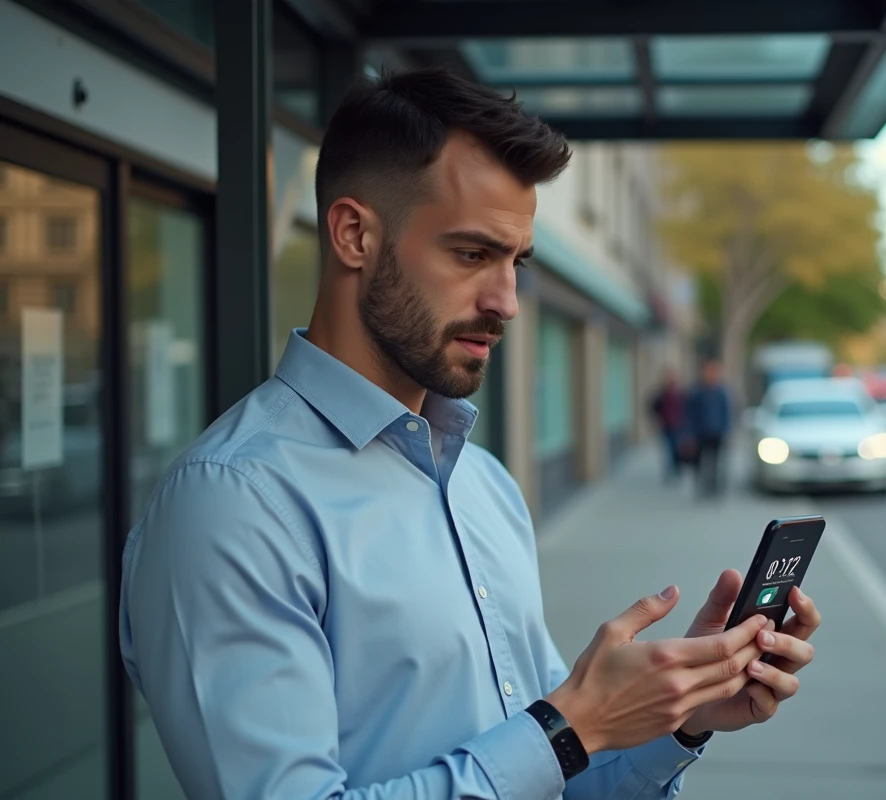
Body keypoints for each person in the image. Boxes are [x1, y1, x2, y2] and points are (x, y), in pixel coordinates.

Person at [119, 68, 820, 800]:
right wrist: (570, 728)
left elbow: (552, 772)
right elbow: (551, 743)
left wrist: (677, 717)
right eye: (472, 254)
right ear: (354, 235)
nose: (507, 301)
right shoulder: (231, 503)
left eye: (517, 261)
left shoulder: (483, 484)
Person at [687, 359, 733, 497]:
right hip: (700, 433)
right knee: (700, 461)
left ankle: (714, 487)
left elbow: (726, 413)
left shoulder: (721, 393)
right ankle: (701, 485)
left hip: (717, 432)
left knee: (716, 462)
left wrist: (727, 431)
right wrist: (690, 434)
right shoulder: (697, 392)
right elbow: (690, 414)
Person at [649, 369, 688, 481]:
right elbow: (653, 408)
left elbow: (686, 409)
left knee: (677, 449)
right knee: (668, 449)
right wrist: (658, 420)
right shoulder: (661, 394)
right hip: (666, 426)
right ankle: (669, 470)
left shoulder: (681, 393)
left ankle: (677, 469)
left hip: (679, 426)